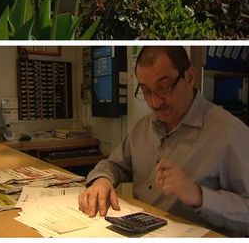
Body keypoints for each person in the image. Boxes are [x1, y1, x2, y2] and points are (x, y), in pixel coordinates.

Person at [78, 46, 249, 236]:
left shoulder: (230, 132)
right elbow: (113, 164)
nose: (155, 102)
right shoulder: (143, 127)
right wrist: (102, 180)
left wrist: (198, 196)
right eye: (146, 91)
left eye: (165, 87)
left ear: (190, 77)